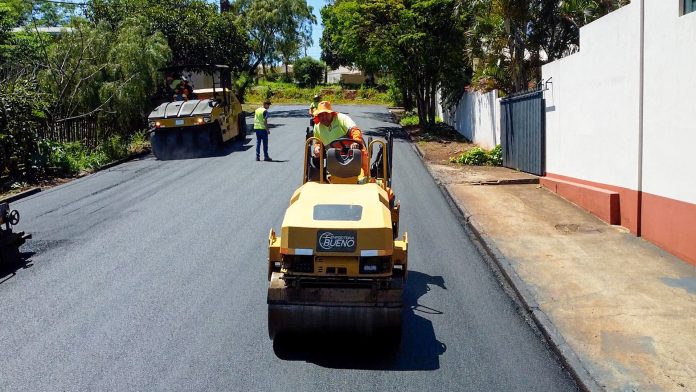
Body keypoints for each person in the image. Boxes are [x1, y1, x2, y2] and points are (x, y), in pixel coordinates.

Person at [312, 101, 368, 175]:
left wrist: (356, 141)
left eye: (326, 114)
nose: (324, 117)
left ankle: (366, 176)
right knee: (316, 158)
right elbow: (317, 142)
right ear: (318, 116)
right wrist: (317, 148)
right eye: (321, 115)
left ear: (331, 113)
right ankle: (323, 178)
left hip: (352, 151)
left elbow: (355, 130)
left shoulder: (341, 118)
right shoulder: (317, 127)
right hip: (332, 155)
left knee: (362, 153)